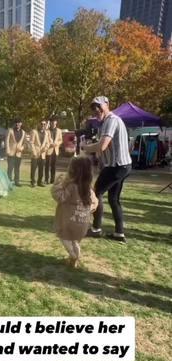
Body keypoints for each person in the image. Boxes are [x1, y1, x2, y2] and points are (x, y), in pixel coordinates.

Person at [82, 96, 132, 243]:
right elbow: (104, 148)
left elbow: (102, 145)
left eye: (99, 106)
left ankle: (96, 229)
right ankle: (119, 234)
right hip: (123, 166)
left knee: (96, 193)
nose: (96, 110)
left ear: (107, 105)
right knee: (114, 199)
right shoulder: (109, 121)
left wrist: (85, 148)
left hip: (117, 166)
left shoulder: (111, 120)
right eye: (93, 107)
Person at [51, 157, 98, 267]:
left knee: (65, 238)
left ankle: (73, 256)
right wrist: (87, 210)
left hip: (68, 222)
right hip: (83, 222)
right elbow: (95, 203)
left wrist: (58, 183)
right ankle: (74, 260)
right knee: (75, 241)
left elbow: (60, 197)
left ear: (72, 171)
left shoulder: (72, 186)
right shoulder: (89, 188)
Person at [6, 118, 26, 186]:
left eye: (19, 122)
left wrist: (22, 148)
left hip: (18, 153)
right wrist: (8, 150)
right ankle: (8, 182)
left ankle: (16, 182)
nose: (18, 124)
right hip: (11, 152)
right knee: (10, 168)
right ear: (15, 123)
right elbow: (7, 141)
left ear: (21, 124)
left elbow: (24, 143)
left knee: (17, 168)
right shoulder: (10, 130)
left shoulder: (23, 132)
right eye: (16, 122)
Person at [30, 119, 50, 187]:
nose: (43, 125)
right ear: (39, 124)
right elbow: (31, 142)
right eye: (41, 124)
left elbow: (48, 143)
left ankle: (39, 182)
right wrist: (34, 152)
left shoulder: (46, 133)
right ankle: (33, 182)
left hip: (43, 154)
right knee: (33, 169)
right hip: (35, 154)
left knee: (41, 169)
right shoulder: (34, 131)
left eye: (44, 124)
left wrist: (46, 148)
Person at [45, 115, 63, 184]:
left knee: (54, 166)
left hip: (55, 150)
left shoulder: (59, 131)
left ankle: (52, 180)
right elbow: (45, 140)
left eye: (54, 121)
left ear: (56, 122)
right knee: (47, 166)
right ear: (50, 123)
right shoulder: (47, 131)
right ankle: (46, 179)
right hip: (48, 150)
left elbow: (61, 140)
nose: (53, 123)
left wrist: (56, 144)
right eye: (51, 122)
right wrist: (50, 144)